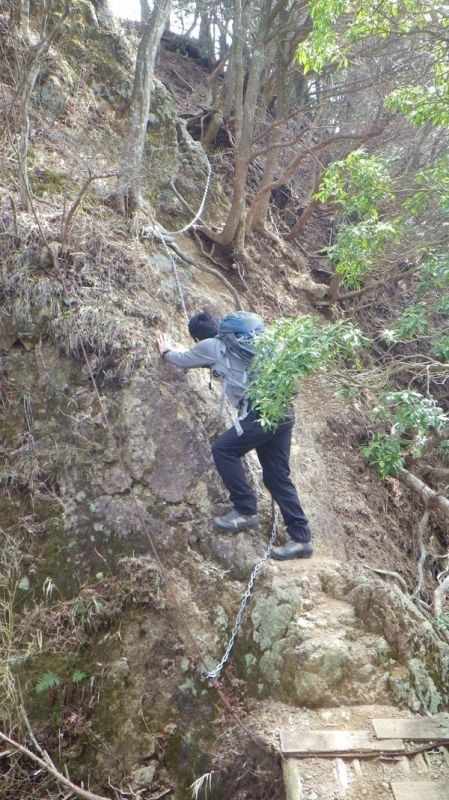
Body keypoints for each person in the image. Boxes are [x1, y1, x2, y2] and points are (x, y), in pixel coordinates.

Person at [156, 310, 313, 560]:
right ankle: (301, 539)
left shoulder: (211, 346)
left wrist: (166, 351)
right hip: (282, 409)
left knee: (223, 449)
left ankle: (245, 510)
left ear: (197, 338)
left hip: (260, 413)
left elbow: (183, 359)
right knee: (276, 477)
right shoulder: (241, 345)